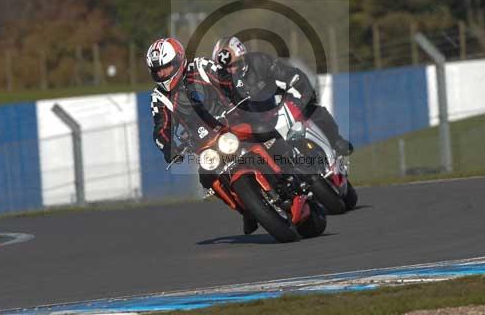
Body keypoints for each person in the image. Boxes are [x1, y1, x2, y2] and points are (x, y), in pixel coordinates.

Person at [146, 37, 260, 234]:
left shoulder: (199, 66)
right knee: (206, 178)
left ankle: (298, 168)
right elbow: (161, 128)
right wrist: (169, 148)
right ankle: (246, 211)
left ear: (179, 61)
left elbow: (225, 79)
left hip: (232, 119)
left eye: (166, 67)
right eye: (157, 70)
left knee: (265, 132)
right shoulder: (158, 97)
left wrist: (241, 97)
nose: (162, 73)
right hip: (205, 142)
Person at [212, 36, 353, 156]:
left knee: (316, 111)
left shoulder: (260, 60)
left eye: (235, 64)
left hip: (280, 107)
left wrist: (305, 99)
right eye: (227, 68)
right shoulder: (222, 83)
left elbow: (293, 75)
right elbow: (221, 110)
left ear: (242, 56)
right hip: (256, 125)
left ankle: (336, 141)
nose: (232, 69)